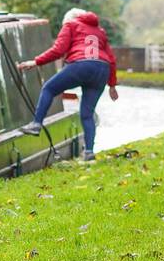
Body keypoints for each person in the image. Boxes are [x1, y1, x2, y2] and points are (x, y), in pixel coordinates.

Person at [17, 8, 118, 162]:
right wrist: (112, 85)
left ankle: (36, 124)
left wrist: (36, 62)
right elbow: (111, 59)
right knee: (87, 113)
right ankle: (89, 152)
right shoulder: (100, 31)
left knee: (49, 88)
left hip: (81, 65)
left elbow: (59, 50)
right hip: (101, 69)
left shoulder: (70, 24)